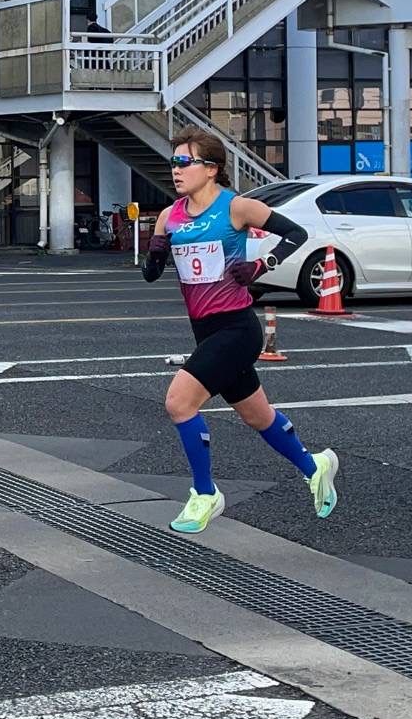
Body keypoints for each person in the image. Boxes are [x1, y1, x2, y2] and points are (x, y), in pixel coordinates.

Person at [142, 127, 338, 533]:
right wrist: (155, 253)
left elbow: (297, 234)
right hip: (204, 330)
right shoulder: (169, 216)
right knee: (257, 415)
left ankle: (205, 493)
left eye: (184, 162)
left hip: (238, 328)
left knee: (179, 403)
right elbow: (150, 274)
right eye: (173, 162)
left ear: (211, 169)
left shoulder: (237, 208)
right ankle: (313, 464)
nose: (176, 170)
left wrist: (260, 266)